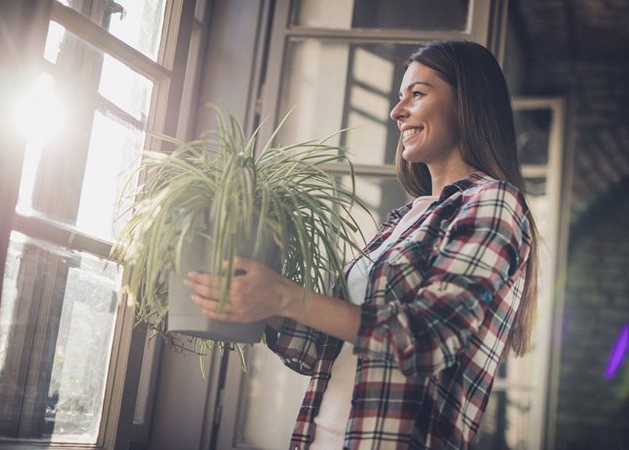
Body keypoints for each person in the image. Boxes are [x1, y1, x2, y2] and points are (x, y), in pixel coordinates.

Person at [184, 39, 538, 450]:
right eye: (398, 97)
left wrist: (284, 296)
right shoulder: (403, 219)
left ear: (467, 102)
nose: (396, 111)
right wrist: (257, 300)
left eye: (417, 94)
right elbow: (325, 348)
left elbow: (425, 339)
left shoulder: (493, 202)